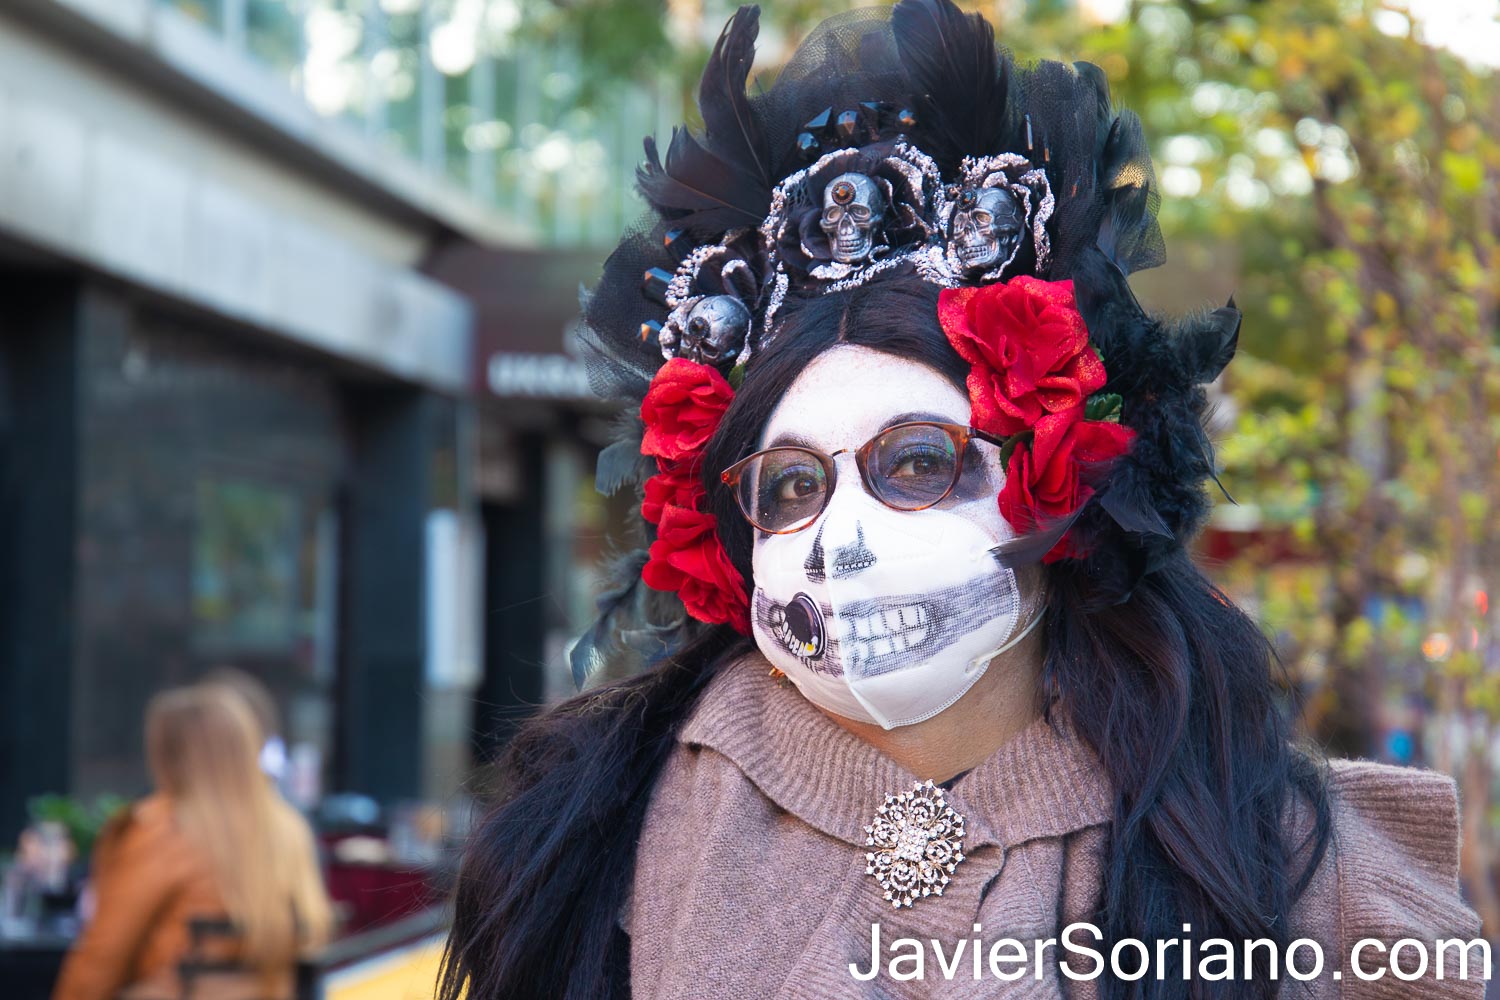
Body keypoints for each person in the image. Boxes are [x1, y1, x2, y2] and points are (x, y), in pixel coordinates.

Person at [441, 2, 1485, 997]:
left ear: (1059, 477)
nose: (839, 542)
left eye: (917, 463)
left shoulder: (1290, 871)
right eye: (792, 485)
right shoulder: (582, 845)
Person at [51, 683, 334, 1000]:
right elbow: (314, 941)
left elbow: (100, 963)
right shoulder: (289, 830)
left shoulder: (162, 830)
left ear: (167, 756)